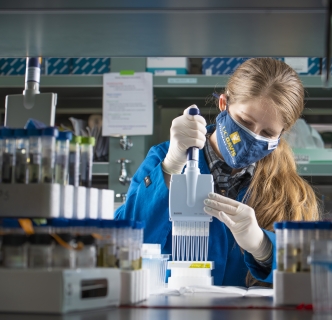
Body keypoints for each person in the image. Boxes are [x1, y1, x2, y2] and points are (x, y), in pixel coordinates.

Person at [115, 57, 320, 287]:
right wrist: (170, 167)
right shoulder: (163, 158)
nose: (252, 138)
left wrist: (264, 247)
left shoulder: (291, 194)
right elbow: (124, 244)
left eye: (267, 133)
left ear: (282, 133)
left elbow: (306, 275)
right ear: (224, 104)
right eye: (245, 121)